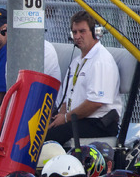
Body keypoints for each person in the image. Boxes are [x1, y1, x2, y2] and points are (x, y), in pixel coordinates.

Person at [46, 11, 122, 143]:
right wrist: (60, 116)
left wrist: (65, 118)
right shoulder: (77, 61)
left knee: (49, 136)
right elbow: (66, 98)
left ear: (95, 32)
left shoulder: (101, 60)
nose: (77, 36)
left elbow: (95, 102)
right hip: (77, 119)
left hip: (99, 123)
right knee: (37, 128)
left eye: (82, 31)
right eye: (74, 32)